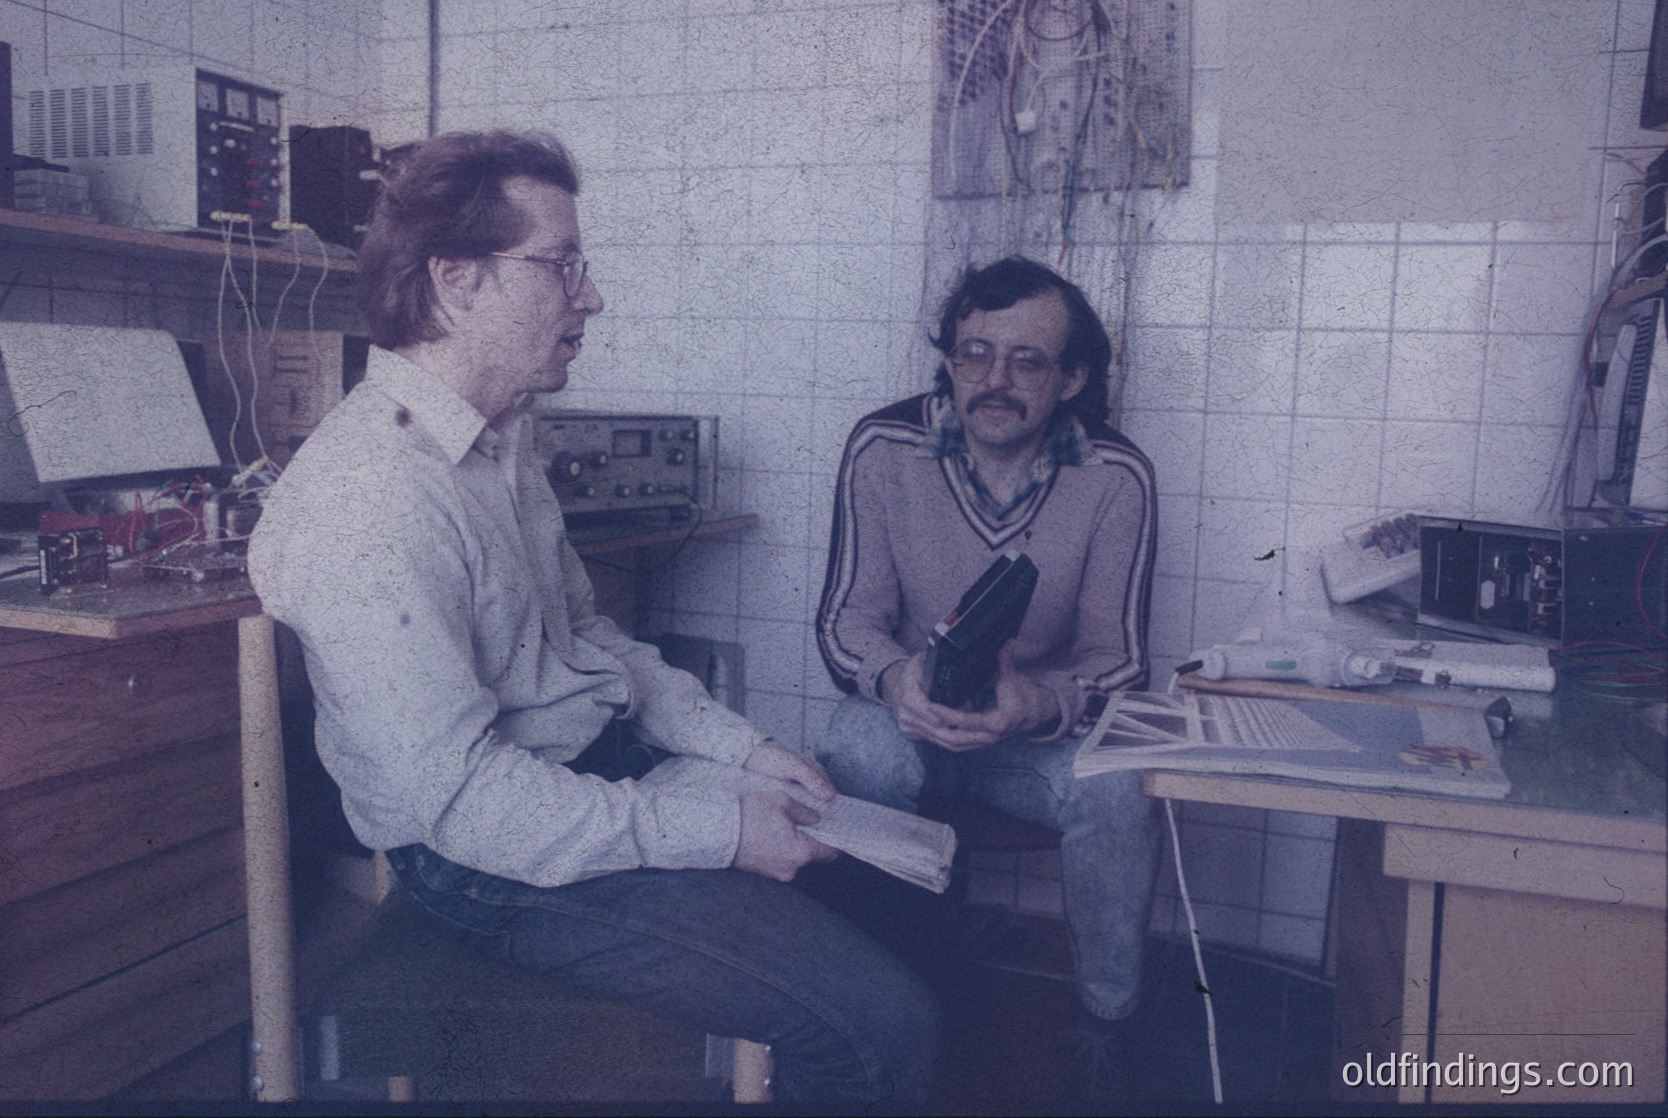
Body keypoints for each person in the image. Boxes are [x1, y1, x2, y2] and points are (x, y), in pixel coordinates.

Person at [248, 130, 936, 1105]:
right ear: (458, 283)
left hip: (575, 775)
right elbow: (468, 805)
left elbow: (590, 638)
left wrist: (737, 750)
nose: (593, 295)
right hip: (481, 854)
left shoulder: (498, 437)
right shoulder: (372, 498)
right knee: (882, 1024)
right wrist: (721, 831)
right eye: (561, 264)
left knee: (874, 879)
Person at [813, 255, 1160, 1097]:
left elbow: (1119, 658)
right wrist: (899, 683)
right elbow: (843, 622)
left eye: (1027, 360)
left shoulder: (1116, 475)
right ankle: (881, 999)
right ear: (949, 359)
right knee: (856, 752)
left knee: (1120, 783)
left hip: (1027, 737)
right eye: (974, 354)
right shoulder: (884, 445)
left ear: (1072, 377)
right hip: (910, 718)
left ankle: (1106, 1023)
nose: (994, 381)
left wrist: (1035, 703)